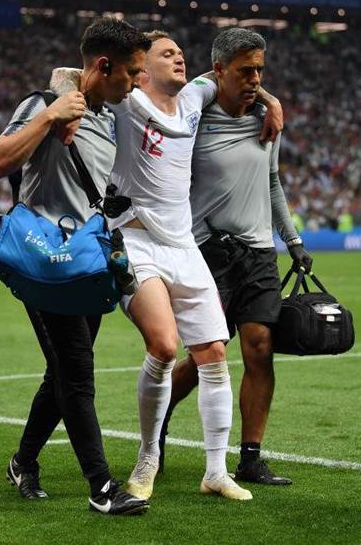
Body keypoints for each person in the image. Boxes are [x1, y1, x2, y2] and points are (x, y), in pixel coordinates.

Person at [52, 29, 283, 502]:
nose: (179, 58)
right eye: (166, 53)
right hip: (135, 239)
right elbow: (67, 75)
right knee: (162, 345)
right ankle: (147, 459)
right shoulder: (128, 101)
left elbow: (235, 77)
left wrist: (273, 102)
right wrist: (65, 106)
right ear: (141, 67)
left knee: (214, 355)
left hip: (185, 246)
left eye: (181, 51)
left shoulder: (197, 95)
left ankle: (216, 472)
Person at [0, 17, 151, 516]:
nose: (137, 80)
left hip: (87, 260)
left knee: (60, 373)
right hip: (45, 260)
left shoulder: (109, 113)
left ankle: (23, 461)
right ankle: (101, 487)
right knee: (78, 372)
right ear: (104, 66)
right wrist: (52, 112)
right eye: (131, 72)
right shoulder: (41, 105)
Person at [158, 28, 310, 486]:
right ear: (220, 69)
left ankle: (250, 457)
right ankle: (158, 421)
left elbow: (272, 182)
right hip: (210, 250)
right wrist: (268, 94)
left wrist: (294, 241)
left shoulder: (267, 119)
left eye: (261, 71)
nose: (255, 79)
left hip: (261, 252)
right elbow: (196, 85)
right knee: (209, 352)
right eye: (246, 71)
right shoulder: (194, 116)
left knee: (260, 348)